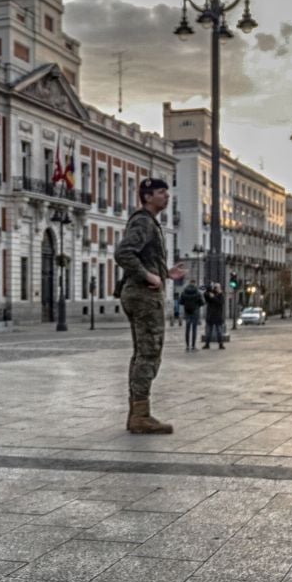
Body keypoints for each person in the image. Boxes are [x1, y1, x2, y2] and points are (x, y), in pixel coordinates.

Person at [114, 177, 184, 433]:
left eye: (166, 192)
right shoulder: (143, 221)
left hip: (141, 292)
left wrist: (164, 272)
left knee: (144, 352)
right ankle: (140, 416)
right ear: (147, 197)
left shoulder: (148, 222)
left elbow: (140, 256)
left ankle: (139, 412)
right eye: (161, 192)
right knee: (149, 352)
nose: (166, 196)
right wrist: (148, 276)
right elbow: (124, 253)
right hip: (143, 296)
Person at [178, 281, 204, 350]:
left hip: (187, 312)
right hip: (195, 312)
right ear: (195, 284)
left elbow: (180, 302)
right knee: (194, 329)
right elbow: (202, 302)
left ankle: (187, 346)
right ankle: (193, 345)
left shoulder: (184, 292)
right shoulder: (198, 292)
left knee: (187, 329)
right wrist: (197, 305)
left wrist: (186, 304)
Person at [203, 283, 228, 349]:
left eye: (218, 287)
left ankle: (220, 344)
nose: (217, 288)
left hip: (218, 316)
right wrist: (209, 289)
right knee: (208, 332)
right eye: (215, 287)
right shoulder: (211, 293)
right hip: (211, 315)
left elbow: (220, 303)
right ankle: (207, 344)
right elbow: (205, 296)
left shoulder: (221, 295)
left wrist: (214, 297)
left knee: (219, 331)